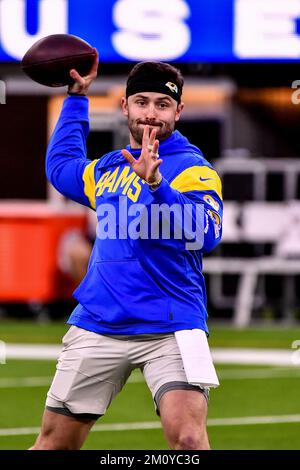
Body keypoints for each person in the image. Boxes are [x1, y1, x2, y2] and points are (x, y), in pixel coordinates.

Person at [30, 50, 223, 451]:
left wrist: (157, 186)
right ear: (125, 106)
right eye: (142, 101)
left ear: (179, 111)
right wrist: (77, 98)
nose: (151, 113)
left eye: (163, 104)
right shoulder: (109, 168)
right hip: (100, 321)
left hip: (172, 324)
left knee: (188, 440)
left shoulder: (193, 169)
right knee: (53, 445)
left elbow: (205, 233)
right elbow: (62, 168)